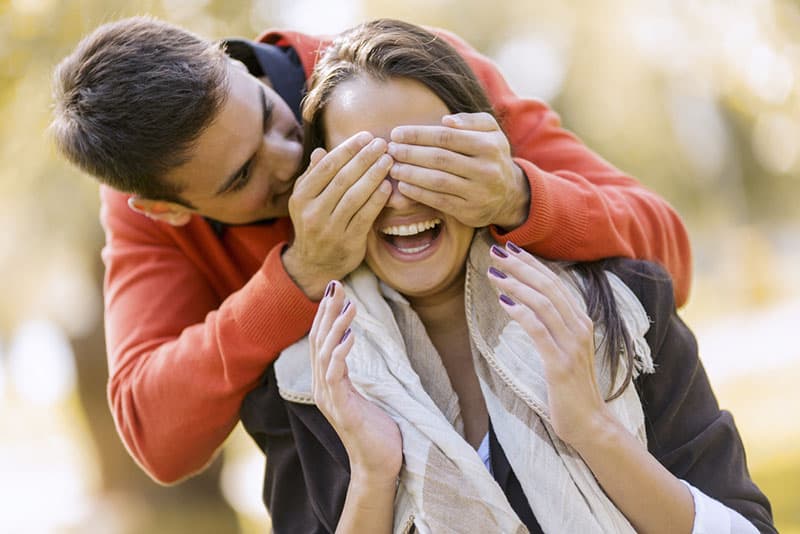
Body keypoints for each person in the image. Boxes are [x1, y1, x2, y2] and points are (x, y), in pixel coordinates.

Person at [49, 16, 691, 484]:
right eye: (242, 177)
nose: (291, 157)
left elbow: (671, 257)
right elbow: (157, 439)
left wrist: (520, 197)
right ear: (169, 209)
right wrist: (298, 277)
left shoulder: (404, 80)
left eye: (271, 115)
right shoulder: (153, 221)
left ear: (233, 63)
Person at [240, 19, 774, 533]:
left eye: (429, 158)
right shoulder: (300, 389)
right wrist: (374, 478)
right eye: (364, 169)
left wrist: (592, 430)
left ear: (485, 152)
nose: (401, 195)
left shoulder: (621, 305)